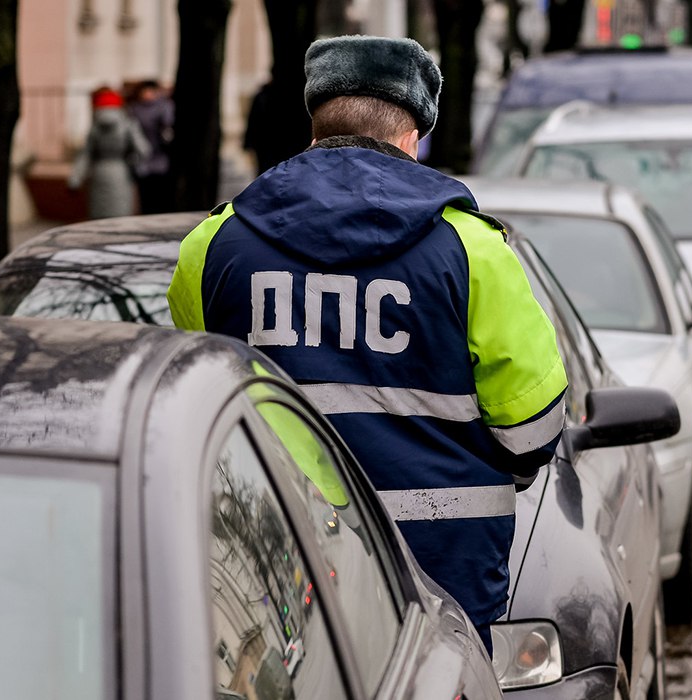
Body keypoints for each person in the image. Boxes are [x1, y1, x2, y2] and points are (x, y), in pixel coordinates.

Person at [166, 36, 567, 652]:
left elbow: (195, 399)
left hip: (272, 562)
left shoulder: (211, 248)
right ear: (412, 136)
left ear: (314, 124)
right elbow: (533, 431)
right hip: (441, 575)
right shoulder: (473, 250)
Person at [69, 87, 150, 219]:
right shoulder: (128, 124)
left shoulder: (94, 127)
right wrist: (132, 162)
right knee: (121, 217)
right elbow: (144, 150)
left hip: (98, 174)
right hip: (121, 173)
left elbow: (85, 155)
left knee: (99, 219)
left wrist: (75, 179)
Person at [127, 80, 174, 214]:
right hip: (142, 159)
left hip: (160, 158)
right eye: (145, 91)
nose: (147, 94)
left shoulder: (164, 108)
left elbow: (168, 129)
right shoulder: (134, 110)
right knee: (145, 194)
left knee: (160, 193)